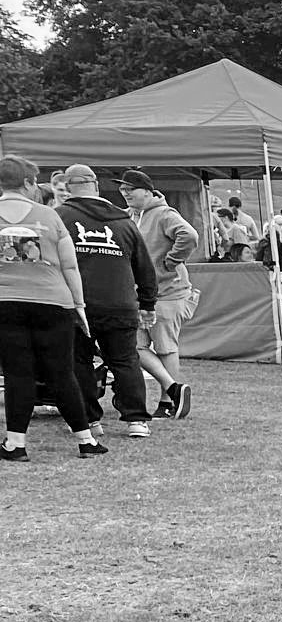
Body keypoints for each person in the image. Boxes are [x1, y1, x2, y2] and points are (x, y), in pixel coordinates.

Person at [1, 156, 104, 461]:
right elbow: (70, 266)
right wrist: (80, 306)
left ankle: (15, 444)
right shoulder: (50, 216)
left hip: (6, 303)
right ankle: (86, 440)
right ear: (30, 183)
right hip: (53, 302)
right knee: (62, 372)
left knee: (18, 373)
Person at [55, 164, 158, 441]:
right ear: (97, 187)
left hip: (77, 303)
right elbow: (144, 267)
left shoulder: (58, 217)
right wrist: (148, 303)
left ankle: (89, 420)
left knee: (80, 361)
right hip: (120, 302)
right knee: (125, 360)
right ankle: (136, 420)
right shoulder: (124, 221)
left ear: (67, 188)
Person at [119, 171, 197, 419]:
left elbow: (190, 236)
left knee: (165, 347)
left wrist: (169, 262)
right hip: (141, 293)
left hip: (167, 292)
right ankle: (174, 390)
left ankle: (168, 402)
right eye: (123, 189)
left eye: (131, 189)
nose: (126, 193)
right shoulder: (130, 215)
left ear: (148, 191)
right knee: (135, 346)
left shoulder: (164, 214)